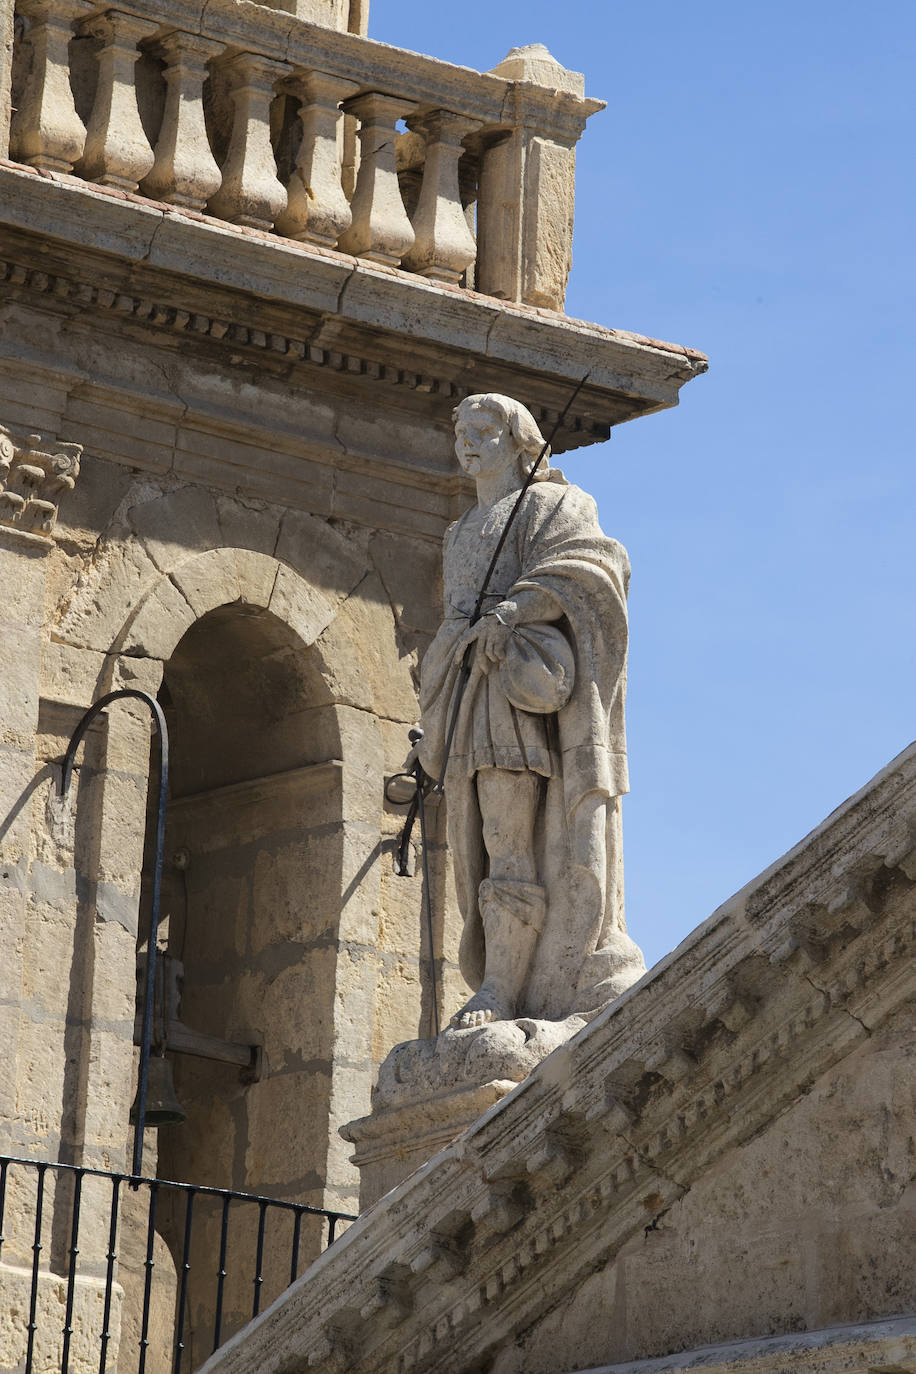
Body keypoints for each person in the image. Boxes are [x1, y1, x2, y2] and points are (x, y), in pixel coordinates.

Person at [414, 393, 645, 1030]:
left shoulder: (555, 505)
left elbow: (595, 566)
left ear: (520, 442)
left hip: (517, 697)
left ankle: (503, 988)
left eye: (484, 431)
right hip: (467, 691)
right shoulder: (458, 533)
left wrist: (513, 611)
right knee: (485, 844)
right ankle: (501, 981)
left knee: (511, 839)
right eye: (461, 431)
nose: (467, 443)